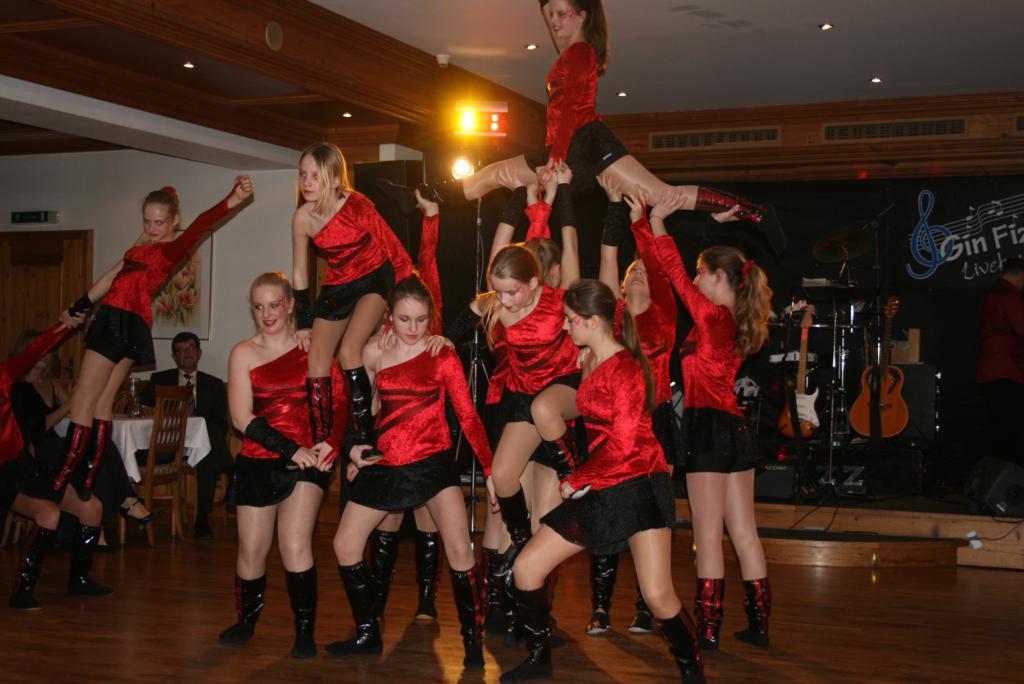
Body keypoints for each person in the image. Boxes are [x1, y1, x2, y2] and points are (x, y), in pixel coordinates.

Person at [377, 0, 784, 256]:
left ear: (582, 14)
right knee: (492, 176)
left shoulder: (580, 52)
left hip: (581, 143)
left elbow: (571, 106)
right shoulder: (575, 53)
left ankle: (755, 210)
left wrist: (556, 159)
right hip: (570, 145)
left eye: (560, 13)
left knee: (660, 195)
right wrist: (555, 155)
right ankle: (420, 197)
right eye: (549, 15)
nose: (553, 21)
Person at [502, 279, 703, 683]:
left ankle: (692, 668)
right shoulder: (588, 355)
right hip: (600, 485)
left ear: (593, 321)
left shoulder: (626, 370)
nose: (564, 326)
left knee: (658, 596)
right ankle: (539, 659)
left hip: (638, 485)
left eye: (570, 320)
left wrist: (577, 477)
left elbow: (626, 445)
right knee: (525, 568)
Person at [50, 177, 253, 546]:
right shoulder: (140, 248)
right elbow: (110, 277)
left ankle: (66, 480)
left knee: (81, 405)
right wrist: (79, 306)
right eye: (147, 221)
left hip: (118, 322)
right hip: (128, 324)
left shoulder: (171, 249)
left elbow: (203, 223)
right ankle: (97, 485)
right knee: (101, 407)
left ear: (174, 221)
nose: (153, 227)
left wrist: (232, 199)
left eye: (160, 221)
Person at [327, 276, 495, 670]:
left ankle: (473, 644)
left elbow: (468, 416)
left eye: (421, 319)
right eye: (404, 319)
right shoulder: (374, 351)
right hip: (386, 464)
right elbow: (357, 411)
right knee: (344, 545)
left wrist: (489, 470)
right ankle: (368, 632)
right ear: (390, 316)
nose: (414, 328)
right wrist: (353, 452)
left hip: (433, 464)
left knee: (460, 551)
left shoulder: (443, 355)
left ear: (430, 317)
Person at [644, 191, 773, 651]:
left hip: (709, 431)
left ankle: (710, 629)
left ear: (719, 276)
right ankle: (758, 625)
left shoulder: (715, 317)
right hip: (735, 430)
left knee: (708, 535)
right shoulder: (732, 318)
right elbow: (689, 273)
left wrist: (658, 222)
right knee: (744, 533)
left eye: (704, 272)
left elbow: (674, 273)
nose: (696, 278)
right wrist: (711, 225)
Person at [219, 272, 344, 658]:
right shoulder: (242, 352)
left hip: (307, 459)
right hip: (260, 459)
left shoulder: (312, 347)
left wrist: (330, 444)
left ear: (290, 304)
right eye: (259, 307)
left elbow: (340, 401)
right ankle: (246, 620)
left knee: (294, 543)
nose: (267, 313)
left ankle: (304, 631)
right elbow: (240, 418)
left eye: (274, 304)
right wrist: (289, 449)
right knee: (251, 550)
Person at [583, 186, 683, 635]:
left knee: (651, 514)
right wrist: (615, 215)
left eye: (644, 270)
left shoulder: (664, 314)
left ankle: (647, 605)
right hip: (610, 425)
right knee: (606, 508)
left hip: (655, 422)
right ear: (622, 286)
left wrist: (641, 222)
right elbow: (605, 266)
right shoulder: (614, 318)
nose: (640, 273)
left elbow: (659, 268)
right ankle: (600, 607)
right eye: (633, 271)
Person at [290, 142, 413, 473]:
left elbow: (395, 251)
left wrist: (401, 308)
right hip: (339, 284)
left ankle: (365, 440)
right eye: (303, 175)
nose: (307, 182)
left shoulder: (357, 205)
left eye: (315, 176)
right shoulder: (302, 217)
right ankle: (322, 442)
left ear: (334, 178)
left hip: (374, 277)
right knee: (316, 356)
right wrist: (303, 321)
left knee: (349, 350)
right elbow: (300, 273)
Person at [1, 317, 115, 611]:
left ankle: (80, 579)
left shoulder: (6, 377)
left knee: (92, 507)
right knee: (49, 513)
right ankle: (22, 590)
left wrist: (69, 320)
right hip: (4, 476)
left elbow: (33, 351)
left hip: (23, 466)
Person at [10, 330, 155, 546]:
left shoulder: (49, 382)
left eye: (47, 351)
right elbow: (39, 428)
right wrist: (72, 402)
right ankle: (122, 504)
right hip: (35, 449)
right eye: (38, 350)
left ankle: (111, 514)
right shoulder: (18, 387)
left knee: (98, 447)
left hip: (54, 444)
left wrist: (79, 394)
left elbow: (75, 406)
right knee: (91, 449)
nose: (44, 355)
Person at [140, 331, 231, 539]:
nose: (187, 353)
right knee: (210, 445)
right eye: (181, 350)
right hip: (167, 446)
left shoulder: (214, 384)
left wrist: (199, 423)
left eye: (191, 349)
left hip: (201, 446)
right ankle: (229, 466)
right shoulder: (159, 380)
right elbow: (142, 412)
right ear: (174, 357)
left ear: (199, 353)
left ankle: (202, 519)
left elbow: (222, 424)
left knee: (208, 440)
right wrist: (173, 414)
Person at [976, 257, 1024, 465]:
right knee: (1011, 432)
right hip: (1007, 372)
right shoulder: (1009, 296)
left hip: (991, 371)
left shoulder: (993, 294)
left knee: (999, 429)